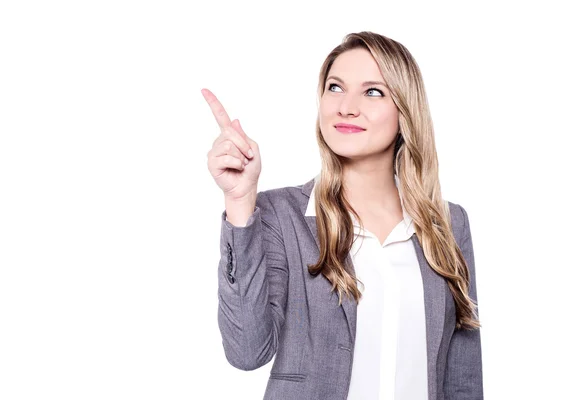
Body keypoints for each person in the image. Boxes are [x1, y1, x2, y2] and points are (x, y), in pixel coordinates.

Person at [202, 31, 483, 400]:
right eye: (335, 87)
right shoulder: (281, 216)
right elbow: (247, 351)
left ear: (405, 110)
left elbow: (462, 376)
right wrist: (239, 203)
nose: (346, 106)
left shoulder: (448, 224)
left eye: (372, 92)